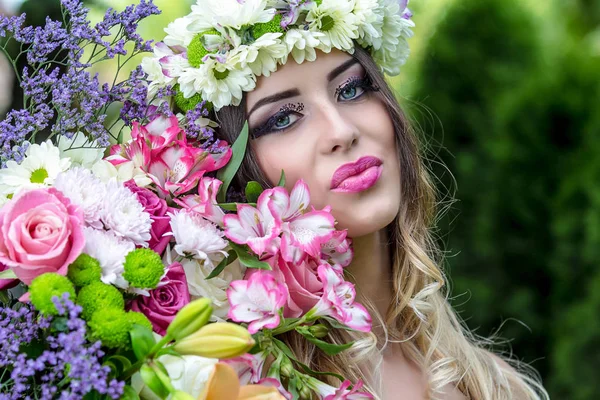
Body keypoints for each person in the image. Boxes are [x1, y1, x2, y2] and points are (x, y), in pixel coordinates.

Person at [149, 0, 550, 398]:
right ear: (230, 175)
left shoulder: (496, 386)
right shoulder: (224, 383)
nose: (341, 131)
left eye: (352, 89)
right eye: (283, 118)